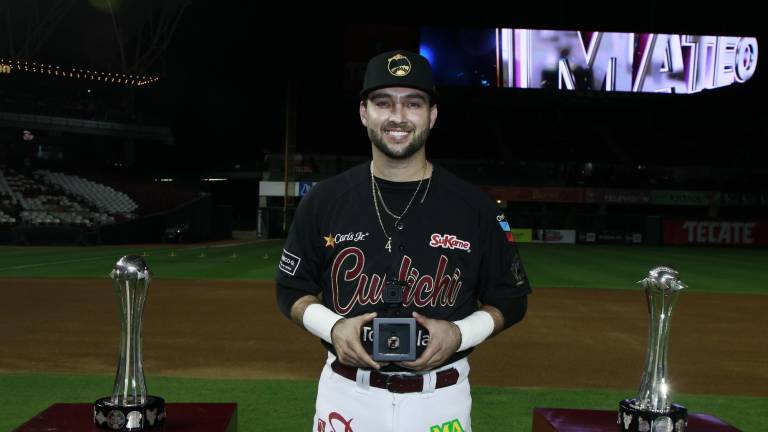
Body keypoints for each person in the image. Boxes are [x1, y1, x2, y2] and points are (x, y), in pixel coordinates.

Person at [276, 49, 531, 432]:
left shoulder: (474, 207)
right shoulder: (324, 201)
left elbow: (511, 298)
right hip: (346, 397)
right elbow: (290, 288)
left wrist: (459, 333)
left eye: (413, 104)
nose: (398, 117)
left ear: (432, 115)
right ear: (364, 113)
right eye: (384, 103)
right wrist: (333, 328)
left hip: (440, 401)